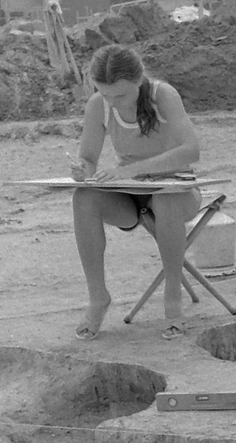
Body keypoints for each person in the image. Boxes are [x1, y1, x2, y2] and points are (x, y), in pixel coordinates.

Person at [70, 45, 201, 340]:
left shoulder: (162, 95)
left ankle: (172, 301)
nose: (113, 102)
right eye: (105, 94)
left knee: (164, 198)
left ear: (139, 80)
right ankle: (97, 297)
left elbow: (191, 150)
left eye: (121, 95)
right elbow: (88, 158)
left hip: (176, 190)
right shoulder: (98, 105)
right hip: (131, 194)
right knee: (83, 198)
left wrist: (131, 170)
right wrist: (82, 169)